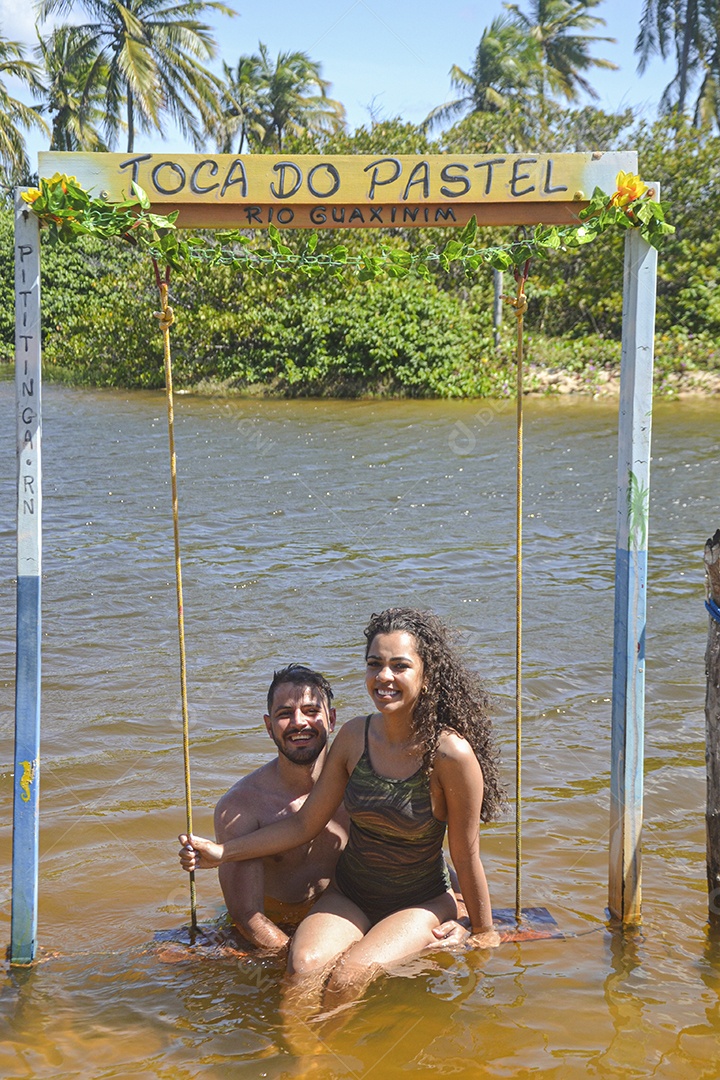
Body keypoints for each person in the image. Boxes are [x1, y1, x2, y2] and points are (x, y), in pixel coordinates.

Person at [180, 608, 503, 1005]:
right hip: (351, 895)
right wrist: (221, 853)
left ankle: (332, 1060)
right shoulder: (353, 738)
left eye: (399, 666)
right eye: (375, 664)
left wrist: (480, 928)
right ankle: (305, 1064)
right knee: (303, 967)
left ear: (427, 673)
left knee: (348, 977)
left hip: (418, 899)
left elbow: (464, 853)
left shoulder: (451, 755)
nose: (384, 677)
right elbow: (304, 825)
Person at [213, 663, 348, 952]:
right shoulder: (240, 806)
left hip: (338, 921)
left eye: (311, 711)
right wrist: (295, 957)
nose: (299, 722)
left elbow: (411, 850)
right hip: (271, 930)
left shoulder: (358, 788)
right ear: (268, 726)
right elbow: (246, 916)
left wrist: (461, 906)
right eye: (285, 714)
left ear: (332, 719)